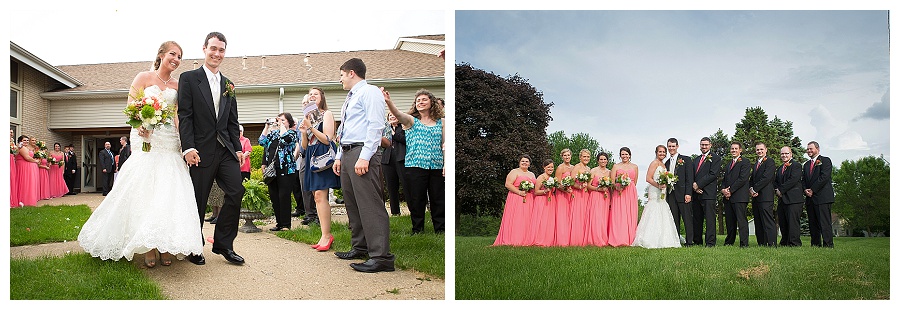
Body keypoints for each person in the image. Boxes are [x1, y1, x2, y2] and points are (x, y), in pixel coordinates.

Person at [78, 40, 203, 268]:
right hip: (147, 138)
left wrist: (185, 142)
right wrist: (140, 124)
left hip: (169, 142)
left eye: (179, 56)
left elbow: (177, 116)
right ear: (161, 55)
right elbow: (131, 106)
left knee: (168, 192)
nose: (176, 59)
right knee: (146, 191)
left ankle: (165, 245)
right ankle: (149, 246)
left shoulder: (178, 85)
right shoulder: (143, 77)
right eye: (172, 54)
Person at [177, 32, 246, 265]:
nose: (217, 53)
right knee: (198, 199)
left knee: (236, 192)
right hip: (200, 150)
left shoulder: (229, 85)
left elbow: (232, 121)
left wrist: (237, 148)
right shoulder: (188, 79)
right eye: (213, 48)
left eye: (221, 50)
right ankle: (194, 247)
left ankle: (224, 245)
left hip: (225, 150)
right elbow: (184, 116)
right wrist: (188, 148)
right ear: (204, 49)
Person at [332, 58, 395, 273]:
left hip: (362, 152)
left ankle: (381, 256)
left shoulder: (370, 92)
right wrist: (340, 156)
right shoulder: (350, 98)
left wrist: (365, 156)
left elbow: (376, 126)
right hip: (349, 152)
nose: (340, 79)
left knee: (370, 204)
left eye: (341, 74)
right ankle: (360, 246)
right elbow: (344, 130)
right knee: (352, 203)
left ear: (351, 73)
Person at [383, 88, 445, 234]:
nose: (421, 102)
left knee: (438, 199)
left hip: (436, 165)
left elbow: (445, 145)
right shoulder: (411, 121)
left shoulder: (442, 122)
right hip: (415, 166)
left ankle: (440, 229)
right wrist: (388, 102)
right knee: (417, 200)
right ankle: (417, 229)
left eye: (424, 99)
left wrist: (446, 165)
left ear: (432, 103)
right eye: (418, 100)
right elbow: (397, 114)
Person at [300, 87, 340, 249]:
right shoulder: (307, 117)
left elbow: (328, 139)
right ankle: (324, 235)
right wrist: (304, 132)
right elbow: (304, 146)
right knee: (317, 196)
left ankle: (326, 236)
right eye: (310, 94)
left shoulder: (327, 114)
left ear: (322, 97)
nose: (312, 96)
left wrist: (311, 128)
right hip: (311, 156)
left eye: (315, 94)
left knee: (319, 195)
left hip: (323, 156)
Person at [632, 145, 682, 249]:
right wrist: (658, 185)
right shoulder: (654, 163)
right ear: (656, 152)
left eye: (664, 152)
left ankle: (664, 239)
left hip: (663, 191)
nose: (662, 154)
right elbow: (648, 178)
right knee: (654, 209)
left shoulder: (664, 165)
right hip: (655, 190)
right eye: (660, 152)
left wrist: (667, 183)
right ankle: (649, 238)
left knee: (663, 209)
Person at [260, 113, 299, 231]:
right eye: (279, 120)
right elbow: (262, 142)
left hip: (286, 170)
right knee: (275, 197)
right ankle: (279, 223)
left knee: (284, 196)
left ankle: (286, 224)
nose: (280, 122)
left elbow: (285, 139)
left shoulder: (292, 133)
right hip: (273, 170)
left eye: (283, 120)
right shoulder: (274, 134)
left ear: (289, 122)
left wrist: (282, 126)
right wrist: (267, 126)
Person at [493, 154, 535, 246]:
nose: (524, 163)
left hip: (529, 198)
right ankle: (514, 239)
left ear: (529, 164)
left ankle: (526, 239)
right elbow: (508, 184)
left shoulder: (531, 174)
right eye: (523, 161)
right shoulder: (514, 172)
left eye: (527, 161)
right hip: (516, 198)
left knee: (527, 219)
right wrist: (519, 192)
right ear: (519, 162)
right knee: (517, 218)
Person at [803, 141, 835, 248]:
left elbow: (824, 177)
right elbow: (803, 180)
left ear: (818, 149)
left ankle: (828, 245)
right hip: (810, 198)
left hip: (823, 197)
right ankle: (815, 244)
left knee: (824, 223)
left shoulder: (825, 161)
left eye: (811, 149)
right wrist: (805, 190)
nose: (809, 151)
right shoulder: (806, 165)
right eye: (807, 149)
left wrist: (813, 189)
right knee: (813, 223)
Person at [691, 137, 721, 247]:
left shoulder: (716, 158)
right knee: (697, 219)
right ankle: (697, 241)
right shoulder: (696, 159)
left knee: (709, 219)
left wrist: (698, 184)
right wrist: (694, 186)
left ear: (710, 145)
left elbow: (713, 174)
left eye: (706, 145)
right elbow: (692, 174)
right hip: (696, 193)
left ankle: (710, 243)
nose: (704, 147)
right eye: (702, 144)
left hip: (708, 193)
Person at [665, 138, 694, 246]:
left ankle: (689, 241)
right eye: (669, 146)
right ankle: (676, 241)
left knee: (687, 219)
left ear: (677, 146)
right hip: (671, 194)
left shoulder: (686, 159)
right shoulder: (666, 163)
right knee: (674, 219)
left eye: (673, 146)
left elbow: (689, 178)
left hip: (683, 194)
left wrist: (688, 193)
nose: (671, 148)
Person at [721, 142, 751, 248]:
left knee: (741, 220)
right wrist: (723, 190)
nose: (733, 150)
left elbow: (742, 179)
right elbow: (724, 179)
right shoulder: (729, 164)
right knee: (730, 221)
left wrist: (730, 190)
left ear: (740, 150)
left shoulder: (745, 162)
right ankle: (729, 241)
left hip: (739, 197)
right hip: (728, 197)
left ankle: (744, 243)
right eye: (732, 149)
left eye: (736, 149)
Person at [608, 147, 638, 247]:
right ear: (620, 155)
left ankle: (630, 238)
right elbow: (612, 182)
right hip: (619, 192)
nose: (624, 156)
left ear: (630, 155)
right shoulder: (616, 166)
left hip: (630, 192)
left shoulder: (635, 167)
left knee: (630, 214)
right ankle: (618, 238)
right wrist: (618, 186)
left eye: (626, 154)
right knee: (619, 214)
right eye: (622, 154)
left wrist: (628, 186)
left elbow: (635, 182)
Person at [381, 111, 408, 216]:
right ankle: (395, 212)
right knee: (391, 187)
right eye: (390, 116)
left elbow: (406, 140)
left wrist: (394, 134)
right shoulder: (384, 130)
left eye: (394, 115)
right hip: (387, 160)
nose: (392, 117)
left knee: (406, 185)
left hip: (401, 159)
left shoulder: (404, 127)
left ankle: (413, 209)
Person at [775, 146, 803, 247]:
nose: (784, 155)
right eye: (782, 154)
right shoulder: (780, 169)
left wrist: (781, 190)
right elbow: (776, 182)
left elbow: (793, 180)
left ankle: (794, 243)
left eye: (786, 153)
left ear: (791, 154)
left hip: (793, 200)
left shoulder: (796, 166)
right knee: (783, 222)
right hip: (782, 200)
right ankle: (785, 242)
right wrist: (776, 190)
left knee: (793, 223)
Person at [749, 142, 776, 247]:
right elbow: (752, 179)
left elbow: (766, 178)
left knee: (767, 220)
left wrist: (755, 189)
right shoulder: (756, 164)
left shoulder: (770, 162)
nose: (759, 151)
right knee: (758, 221)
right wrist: (750, 188)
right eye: (757, 150)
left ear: (766, 150)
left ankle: (772, 243)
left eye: (761, 149)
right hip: (756, 197)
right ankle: (761, 243)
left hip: (765, 196)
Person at [586, 152, 611, 247]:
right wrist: (598, 189)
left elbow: (610, 187)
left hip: (605, 197)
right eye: (601, 159)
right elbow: (588, 185)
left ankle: (604, 238)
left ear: (607, 161)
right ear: (598, 161)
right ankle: (595, 239)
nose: (603, 161)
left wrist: (611, 200)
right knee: (596, 218)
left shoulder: (609, 172)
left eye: (604, 159)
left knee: (604, 218)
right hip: (595, 196)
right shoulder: (593, 171)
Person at [530, 159, 556, 246]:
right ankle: (539, 239)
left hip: (551, 200)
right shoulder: (541, 177)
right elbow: (536, 191)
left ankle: (548, 239)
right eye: (548, 167)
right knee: (542, 220)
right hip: (541, 201)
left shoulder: (552, 178)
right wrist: (545, 191)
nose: (550, 169)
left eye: (552, 167)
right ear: (544, 167)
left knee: (549, 221)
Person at [569, 149, 592, 246]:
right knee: (577, 215)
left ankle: (584, 239)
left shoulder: (589, 169)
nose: (586, 158)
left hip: (586, 194)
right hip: (578, 193)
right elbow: (571, 181)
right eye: (584, 156)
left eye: (588, 157)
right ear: (580, 157)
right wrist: (579, 186)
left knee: (585, 216)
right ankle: (576, 239)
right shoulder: (576, 167)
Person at [553, 148, 575, 246]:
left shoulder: (573, 167)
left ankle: (570, 238)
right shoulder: (560, 168)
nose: (567, 157)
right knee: (562, 216)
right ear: (562, 157)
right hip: (562, 194)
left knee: (570, 216)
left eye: (568, 155)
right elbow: (557, 184)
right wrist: (565, 190)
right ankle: (561, 240)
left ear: (571, 156)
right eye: (565, 155)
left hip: (571, 194)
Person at [15, 135, 39, 207]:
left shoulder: (25, 147)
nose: (26, 141)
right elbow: (27, 157)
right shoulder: (21, 148)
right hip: (23, 167)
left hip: (28, 167)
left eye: (27, 140)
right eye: (24, 140)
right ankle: (24, 200)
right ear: (20, 141)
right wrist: (35, 161)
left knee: (28, 183)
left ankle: (29, 199)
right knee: (24, 183)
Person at [10, 131, 18, 207]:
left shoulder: (12, 141)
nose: (11, 134)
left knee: (12, 177)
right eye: (10, 132)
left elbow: (15, 152)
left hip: (12, 159)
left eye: (12, 132)